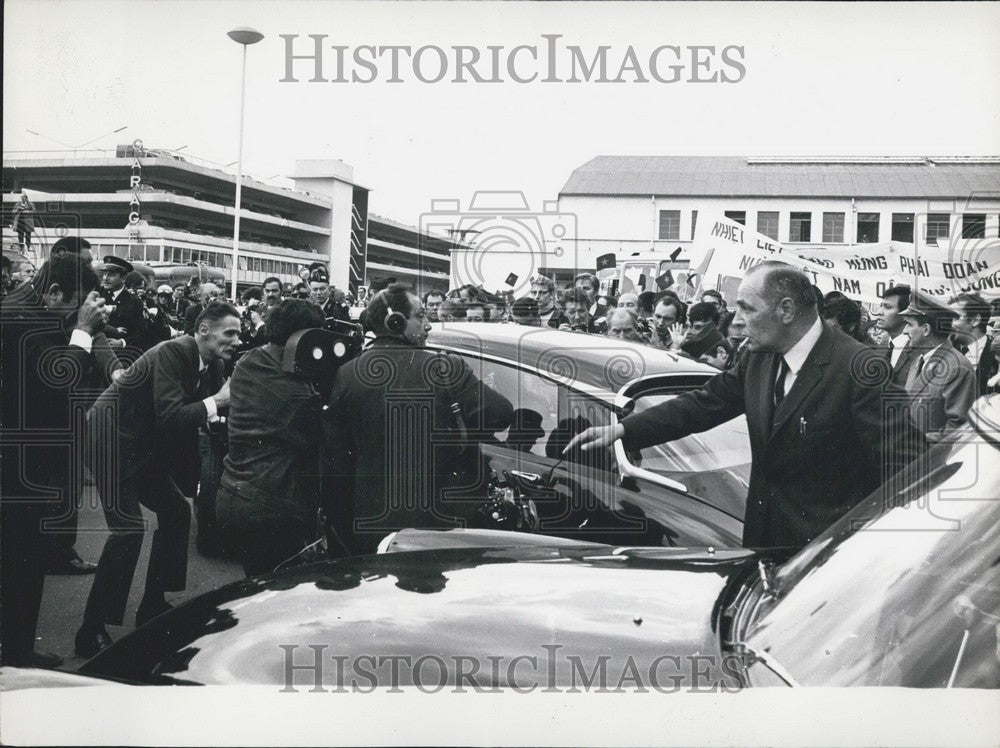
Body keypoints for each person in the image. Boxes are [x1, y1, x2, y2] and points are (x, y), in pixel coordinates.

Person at [566, 261, 925, 551]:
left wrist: (863, 551)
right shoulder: (759, 357)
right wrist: (625, 428)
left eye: (747, 309)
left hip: (827, 561)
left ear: (786, 310)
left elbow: (910, 472)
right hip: (762, 548)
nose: (736, 320)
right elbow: (704, 403)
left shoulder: (861, 369)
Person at [75, 303, 239, 657]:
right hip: (109, 441)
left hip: (139, 446)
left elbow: (203, 415)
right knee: (128, 530)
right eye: (230, 333)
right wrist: (218, 401)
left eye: (239, 334)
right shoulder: (173, 351)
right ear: (204, 330)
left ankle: (152, 605)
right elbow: (173, 415)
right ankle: (90, 629)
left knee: (176, 512)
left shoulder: (214, 364)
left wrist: (218, 413)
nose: (237, 341)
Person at [325, 283, 513, 554]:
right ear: (395, 321)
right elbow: (501, 413)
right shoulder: (445, 367)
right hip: (441, 526)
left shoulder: (347, 373)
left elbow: (336, 460)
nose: (428, 325)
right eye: (420, 315)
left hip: (373, 526)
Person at [1, 253, 105, 666]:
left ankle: (14, 646)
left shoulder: (20, 306)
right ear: (56, 292)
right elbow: (57, 382)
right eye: (73, 305)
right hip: (21, 463)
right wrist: (82, 332)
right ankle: (17, 652)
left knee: (17, 558)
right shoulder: (25, 321)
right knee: (23, 560)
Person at [216, 300, 331, 575]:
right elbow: (323, 437)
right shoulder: (297, 397)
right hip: (272, 507)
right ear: (305, 338)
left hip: (234, 492)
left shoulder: (250, 360)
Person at [901, 291, 976, 440]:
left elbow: (958, 427)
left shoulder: (957, 368)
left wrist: (916, 442)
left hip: (928, 453)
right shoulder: (919, 360)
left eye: (909, 325)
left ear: (926, 329)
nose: (905, 331)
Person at [950, 292, 997, 397]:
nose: (949, 324)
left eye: (955, 318)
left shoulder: (996, 355)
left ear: (975, 320)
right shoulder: (945, 351)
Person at [98, 256, 147, 356]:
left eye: (111, 275)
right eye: (105, 274)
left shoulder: (134, 301)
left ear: (123, 278)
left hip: (123, 355)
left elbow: (141, 333)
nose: (105, 278)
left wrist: (122, 343)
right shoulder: (97, 295)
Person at [879, 285, 917, 387]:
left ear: (905, 314)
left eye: (888, 307)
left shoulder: (917, 352)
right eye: (881, 306)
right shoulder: (882, 345)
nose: (880, 312)